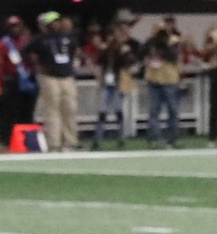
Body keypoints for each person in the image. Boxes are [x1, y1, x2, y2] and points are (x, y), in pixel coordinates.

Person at [33, 11, 82, 154]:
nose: (55, 24)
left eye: (57, 21)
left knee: (70, 109)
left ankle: (70, 142)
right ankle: (53, 143)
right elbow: (25, 52)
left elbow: (74, 51)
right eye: (52, 22)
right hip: (49, 77)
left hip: (66, 76)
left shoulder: (69, 38)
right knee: (52, 110)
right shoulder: (40, 39)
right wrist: (37, 66)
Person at [90, 19, 138, 149]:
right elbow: (100, 66)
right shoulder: (106, 49)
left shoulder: (124, 49)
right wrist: (98, 81)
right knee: (103, 110)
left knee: (117, 109)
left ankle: (121, 137)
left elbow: (130, 64)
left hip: (118, 81)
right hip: (108, 81)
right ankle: (98, 138)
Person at [143, 19, 185, 147]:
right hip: (154, 79)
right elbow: (141, 52)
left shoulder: (173, 40)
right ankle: (155, 140)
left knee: (173, 110)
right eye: (157, 29)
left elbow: (173, 56)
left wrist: (164, 43)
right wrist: (154, 40)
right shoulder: (151, 41)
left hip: (170, 80)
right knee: (154, 111)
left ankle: (172, 140)